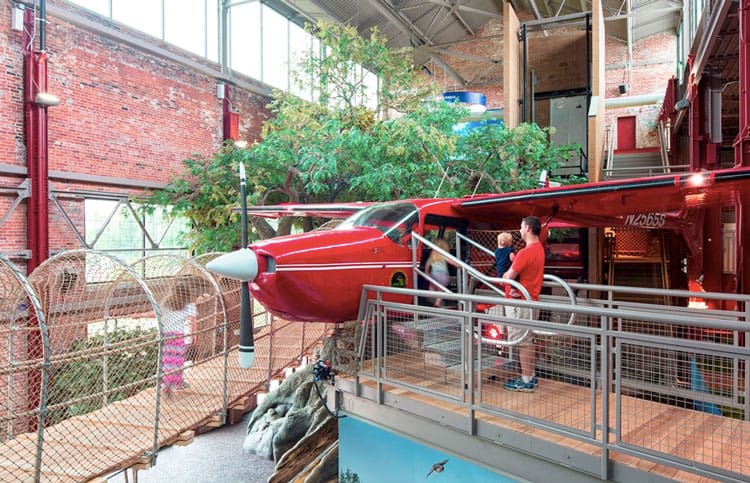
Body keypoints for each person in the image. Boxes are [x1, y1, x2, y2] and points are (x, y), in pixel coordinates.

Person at [502, 216, 545, 393]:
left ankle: (526, 379)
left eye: (521, 227)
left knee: (523, 342)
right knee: (528, 340)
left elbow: (508, 277)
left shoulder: (525, 252)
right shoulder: (539, 249)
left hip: (520, 304)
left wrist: (504, 275)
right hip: (531, 300)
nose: (519, 230)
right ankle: (530, 375)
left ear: (527, 228)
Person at [161, 278, 198, 396]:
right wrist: (194, 335)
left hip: (166, 335)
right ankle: (178, 382)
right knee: (178, 359)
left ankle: (167, 383)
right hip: (178, 335)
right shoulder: (189, 305)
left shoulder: (166, 303)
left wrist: (139, 315)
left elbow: (156, 314)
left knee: (167, 358)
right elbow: (193, 321)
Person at [424, 239, 452, 307]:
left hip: (434, 276)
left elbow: (427, 265)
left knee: (431, 287)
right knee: (440, 290)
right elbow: (453, 262)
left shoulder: (432, 257)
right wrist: (459, 265)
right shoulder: (444, 255)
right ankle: (437, 302)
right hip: (443, 276)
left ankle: (433, 297)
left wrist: (426, 273)